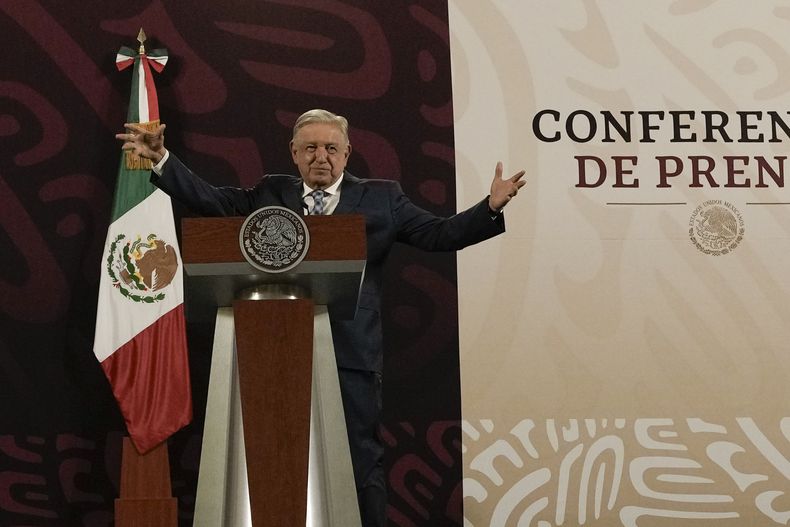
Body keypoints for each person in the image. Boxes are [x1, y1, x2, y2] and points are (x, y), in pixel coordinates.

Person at [117, 109, 525, 526]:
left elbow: (441, 234)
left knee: (360, 459)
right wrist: (163, 158)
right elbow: (215, 201)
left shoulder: (383, 198)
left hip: (351, 352)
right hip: (274, 349)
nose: (321, 157)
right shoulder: (270, 194)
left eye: (331, 148)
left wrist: (489, 208)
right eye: (310, 148)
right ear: (294, 154)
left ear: (347, 154)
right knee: (276, 455)